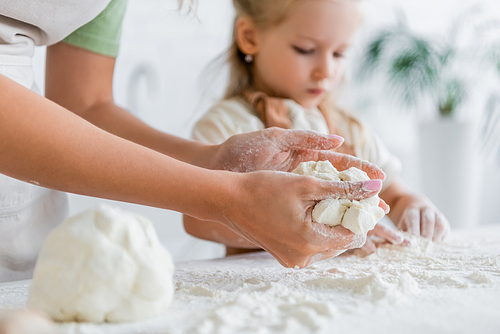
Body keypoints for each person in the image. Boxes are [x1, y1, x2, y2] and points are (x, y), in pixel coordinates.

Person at [0, 0, 391, 284]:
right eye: (306, 49)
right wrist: (224, 197)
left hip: (24, 215)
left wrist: (213, 159)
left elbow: (83, 104)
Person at [184, 0, 451, 255]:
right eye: (305, 49)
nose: (325, 70)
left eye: (339, 53)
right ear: (251, 37)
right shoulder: (225, 126)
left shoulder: (349, 129)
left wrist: (414, 206)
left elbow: (395, 194)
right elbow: (197, 219)